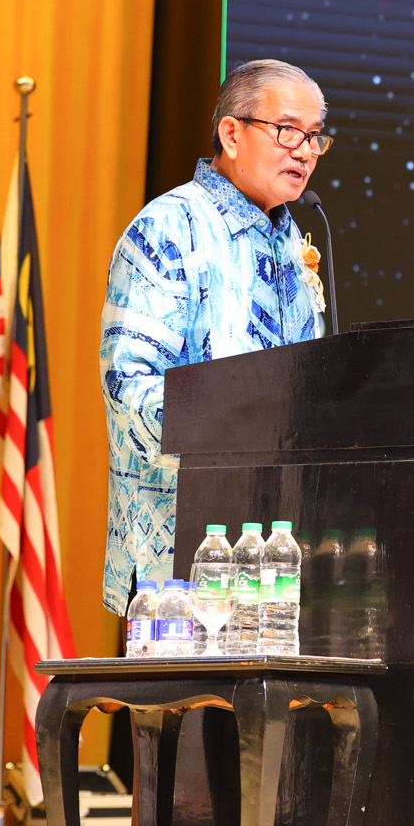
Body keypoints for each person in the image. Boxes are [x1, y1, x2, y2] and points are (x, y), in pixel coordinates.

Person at [98, 60, 334, 613]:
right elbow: (128, 388)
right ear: (231, 133)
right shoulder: (169, 227)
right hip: (179, 565)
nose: (305, 151)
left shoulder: (292, 246)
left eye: (315, 136)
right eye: (287, 131)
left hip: (276, 557)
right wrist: (239, 444)